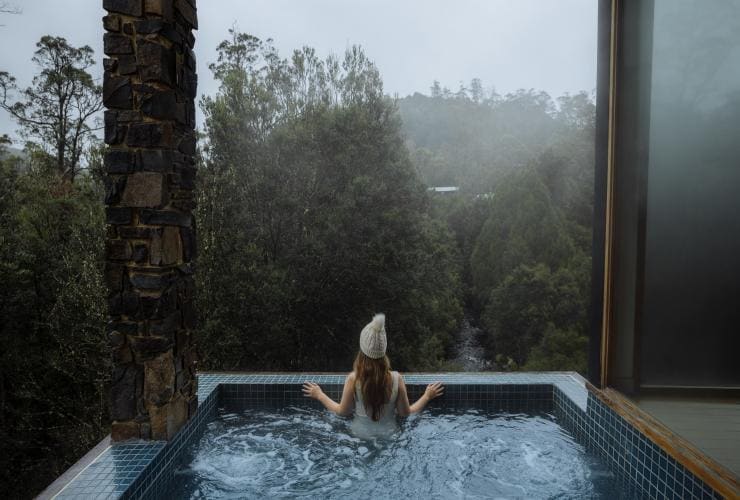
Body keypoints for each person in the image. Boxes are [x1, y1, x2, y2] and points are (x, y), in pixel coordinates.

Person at [302, 313, 444, 435]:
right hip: (390, 435)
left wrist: (319, 395)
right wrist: (427, 396)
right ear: (384, 350)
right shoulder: (396, 379)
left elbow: (342, 412)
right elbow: (405, 414)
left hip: (359, 435)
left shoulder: (354, 379)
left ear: (362, 351)